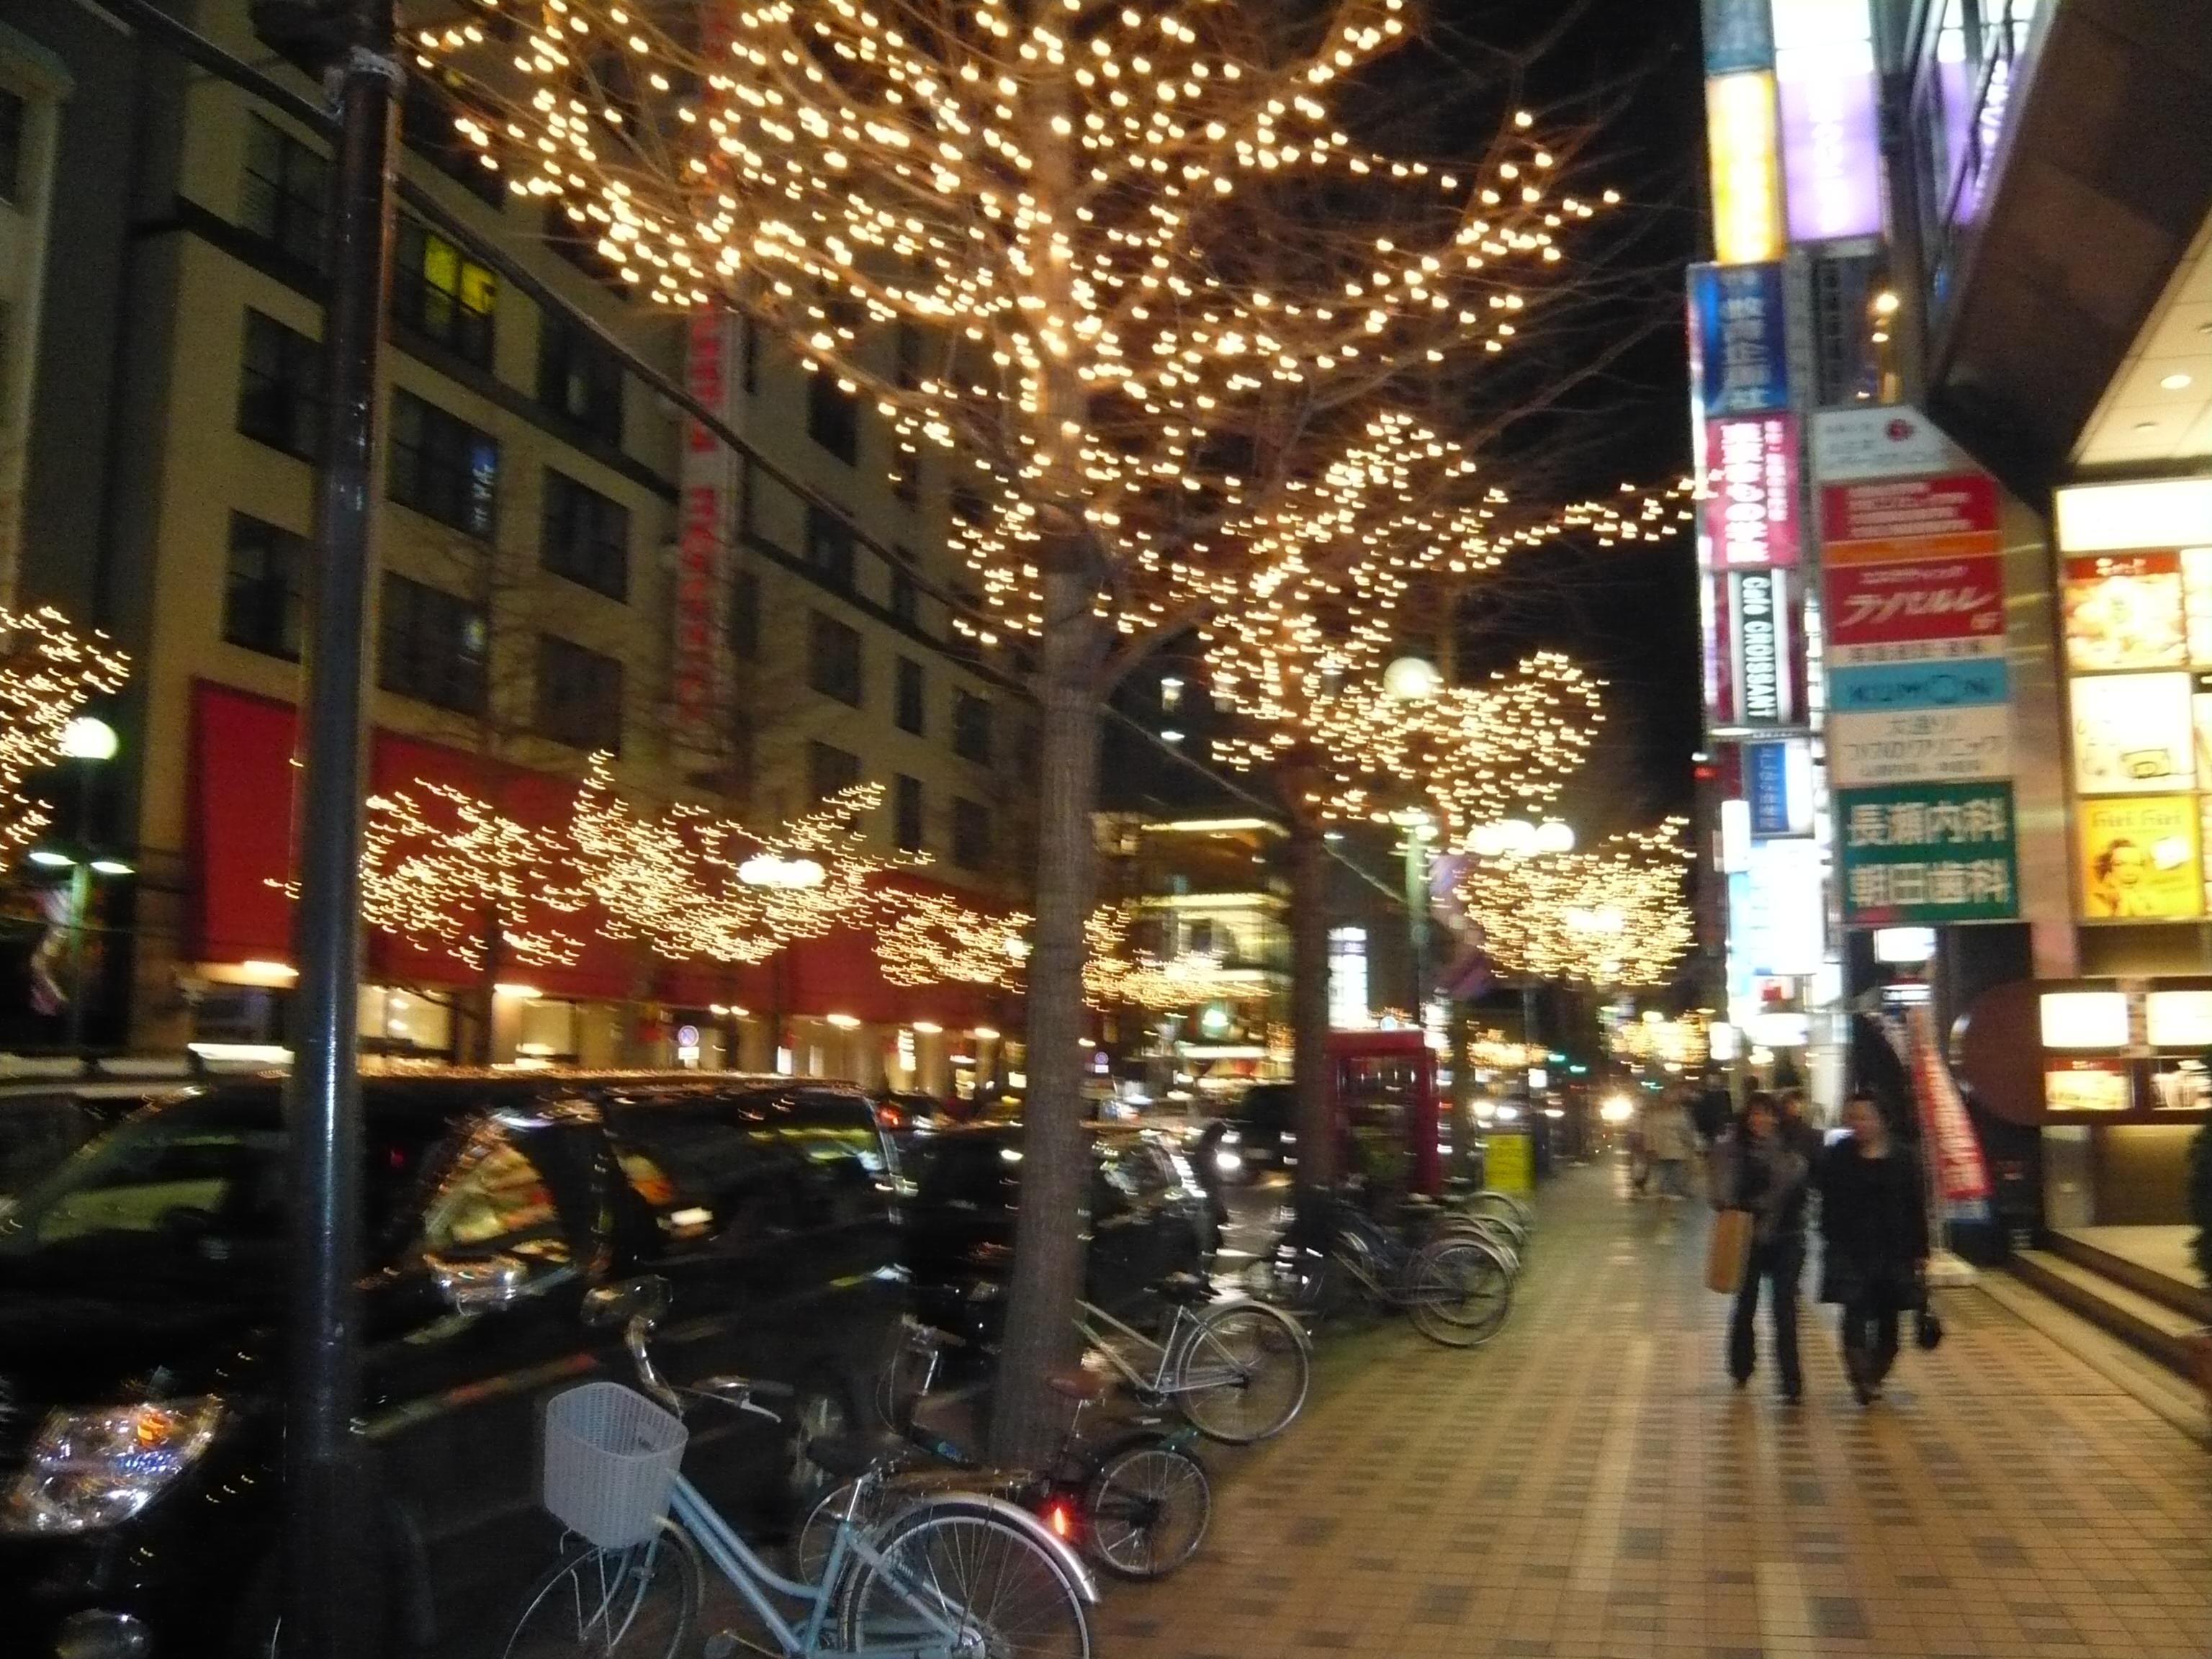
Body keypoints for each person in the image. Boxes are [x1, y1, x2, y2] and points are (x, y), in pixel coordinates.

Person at [1817, 1090, 1930, 1404]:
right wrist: (1831, 1235)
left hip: (1894, 1249)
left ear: (1882, 1120)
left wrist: (1920, 1251)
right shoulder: (1840, 1154)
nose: (1858, 1123)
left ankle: (1876, 1373)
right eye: (1853, 1117)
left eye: (1865, 1117)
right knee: (1854, 1311)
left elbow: (1915, 1205)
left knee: (1889, 1317)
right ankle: (1860, 1377)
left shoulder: (1903, 1156)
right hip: (1851, 1248)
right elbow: (1827, 1198)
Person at [1717, 1092, 1812, 1401]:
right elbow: (1721, 1195)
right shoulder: (1732, 1150)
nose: (1762, 1120)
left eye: (1768, 1113)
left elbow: (1800, 1183)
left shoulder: (1791, 1149)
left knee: (1785, 1308)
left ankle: (1791, 1383)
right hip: (1746, 1238)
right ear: (1746, 1118)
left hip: (1788, 1236)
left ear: (1777, 1117)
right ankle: (1741, 1365)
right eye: (1755, 1114)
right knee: (1746, 1304)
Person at [1643, 1087, 1699, 1213]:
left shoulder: (1682, 1114)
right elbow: (1648, 1132)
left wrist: (1691, 1147)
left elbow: (1687, 1132)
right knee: (1663, 1181)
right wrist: (1650, 1148)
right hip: (1659, 1152)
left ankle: (1672, 1209)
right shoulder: (1654, 1114)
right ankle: (1665, 1207)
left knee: (1675, 1181)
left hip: (1678, 1152)